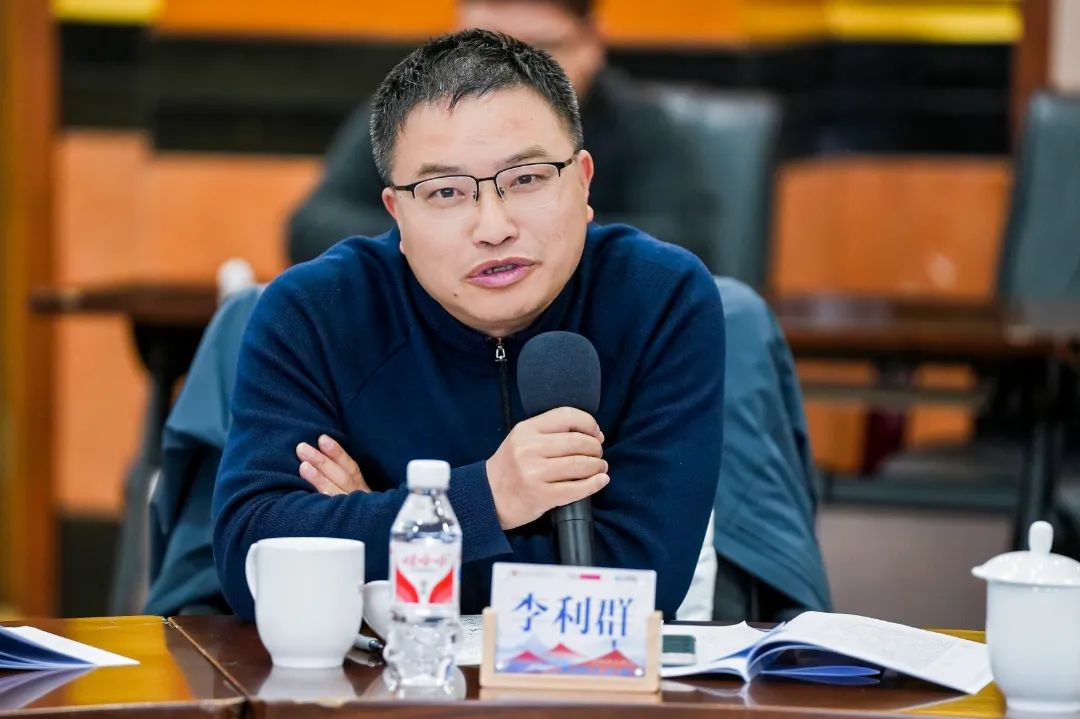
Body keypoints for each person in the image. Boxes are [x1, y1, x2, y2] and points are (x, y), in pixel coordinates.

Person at [212, 29, 725, 620]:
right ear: (397, 214)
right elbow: (254, 564)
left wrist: (391, 527)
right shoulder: (315, 312)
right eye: (446, 192)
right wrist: (486, 498)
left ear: (584, 182)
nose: (494, 227)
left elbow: (635, 588)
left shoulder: (660, 299)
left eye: (527, 179)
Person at [286, 0, 710, 267]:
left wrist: (532, 241)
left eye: (539, 50)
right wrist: (444, 241)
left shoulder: (640, 123)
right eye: (483, 47)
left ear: (591, 44)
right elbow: (312, 227)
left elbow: (686, 242)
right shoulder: (412, 115)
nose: (509, 74)